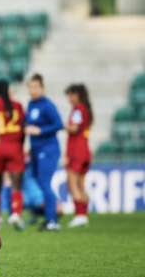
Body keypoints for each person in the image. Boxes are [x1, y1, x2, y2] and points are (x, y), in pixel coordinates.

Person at [25, 74, 63, 231]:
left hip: (48, 149)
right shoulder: (30, 104)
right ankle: (45, 215)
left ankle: (52, 220)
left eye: (36, 87)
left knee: (44, 182)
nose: (33, 90)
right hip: (36, 150)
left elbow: (59, 124)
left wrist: (40, 130)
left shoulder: (47, 105)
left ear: (42, 88)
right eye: (30, 87)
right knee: (39, 182)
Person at [0, 79, 26, 230]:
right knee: (16, 185)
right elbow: (23, 128)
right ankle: (16, 213)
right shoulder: (18, 105)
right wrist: (20, 146)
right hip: (15, 148)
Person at [64, 84, 93, 228]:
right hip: (85, 150)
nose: (69, 98)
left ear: (77, 95)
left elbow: (74, 127)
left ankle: (80, 214)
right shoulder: (86, 109)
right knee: (81, 184)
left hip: (76, 151)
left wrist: (64, 125)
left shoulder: (78, 109)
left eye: (70, 95)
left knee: (72, 183)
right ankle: (84, 215)